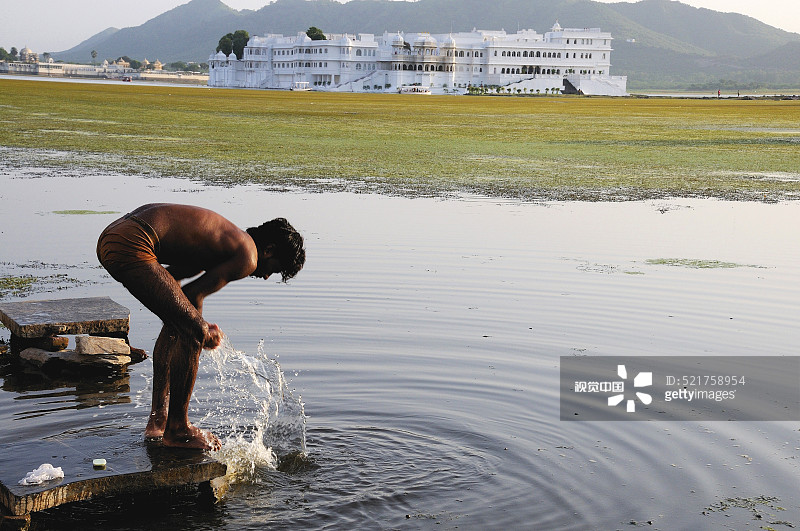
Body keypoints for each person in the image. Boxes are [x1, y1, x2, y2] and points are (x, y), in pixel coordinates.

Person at [96, 203, 305, 450]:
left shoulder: (217, 242)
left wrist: (196, 324)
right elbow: (192, 296)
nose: (267, 276)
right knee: (192, 330)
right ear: (268, 250)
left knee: (181, 325)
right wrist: (202, 330)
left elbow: (181, 291)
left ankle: (159, 420)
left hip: (112, 237)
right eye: (275, 269)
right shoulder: (248, 254)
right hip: (133, 242)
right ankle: (178, 429)